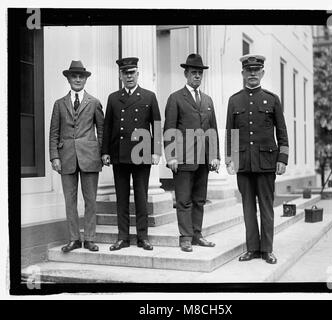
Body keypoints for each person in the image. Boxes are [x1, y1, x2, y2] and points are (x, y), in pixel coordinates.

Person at [225, 54, 289, 264]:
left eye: (256, 70)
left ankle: (267, 249)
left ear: (262, 73)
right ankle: (252, 248)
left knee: (266, 207)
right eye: (248, 70)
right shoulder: (234, 100)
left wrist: (283, 159)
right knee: (247, 207)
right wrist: (230, 159)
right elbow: (231, 133)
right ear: (243, 73)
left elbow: (282, 132)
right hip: (243, 162)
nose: (252, 74)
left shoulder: (272, 99)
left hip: (266, 163)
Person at [101, 57, 161, 251]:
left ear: (138, 74)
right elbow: (107, 126)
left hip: (142, 153)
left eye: (132, 73)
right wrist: (105, 152)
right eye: (125, 73)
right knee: (122, 197)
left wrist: (157, 151)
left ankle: (143, 237)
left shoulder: (149, 96)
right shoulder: (113, 98)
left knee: (142, 197)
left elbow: (157, 125)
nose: (129, 76)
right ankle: (123, 237)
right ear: (120, 75)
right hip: (119, 154)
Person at [163, 53, 220, 252]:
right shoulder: (176, 98)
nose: (197, 76)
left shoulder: (207, 100)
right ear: (186, 74)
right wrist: (171, 157)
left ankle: (197, 234)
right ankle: (185, 237)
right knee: (184, 199)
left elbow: (212, 130)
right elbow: (169, 129)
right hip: (183, 159)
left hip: (203, 160)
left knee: (199, 199)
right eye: (193, 72)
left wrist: (215, 156)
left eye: (200, 73)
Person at [49, 60, 104, 253]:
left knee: (90, 199)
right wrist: (54, 157)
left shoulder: (94, 102)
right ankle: (73, 239)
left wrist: (102, 153)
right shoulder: (59, 104)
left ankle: (89, 239)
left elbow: (102, 130)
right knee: (69, 200)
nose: (78, 79)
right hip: (66, 158)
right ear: (69, 79)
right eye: (74, 76)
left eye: (81, 76)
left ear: (86, 79)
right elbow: (54, 133)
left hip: (90, 157)